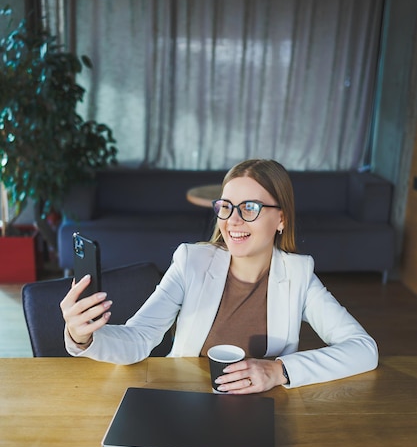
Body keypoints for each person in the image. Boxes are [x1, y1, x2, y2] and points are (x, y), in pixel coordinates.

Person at [60, 158, 378, 391]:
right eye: (226, 207)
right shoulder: (191, 262)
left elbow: (363, 349)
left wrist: (278, 371)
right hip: (185, 402)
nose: (233, 221)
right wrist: (83, 336)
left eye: (249, 208)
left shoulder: (299, 275)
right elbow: (138, 339)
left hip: (263, 413)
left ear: (281, 218)